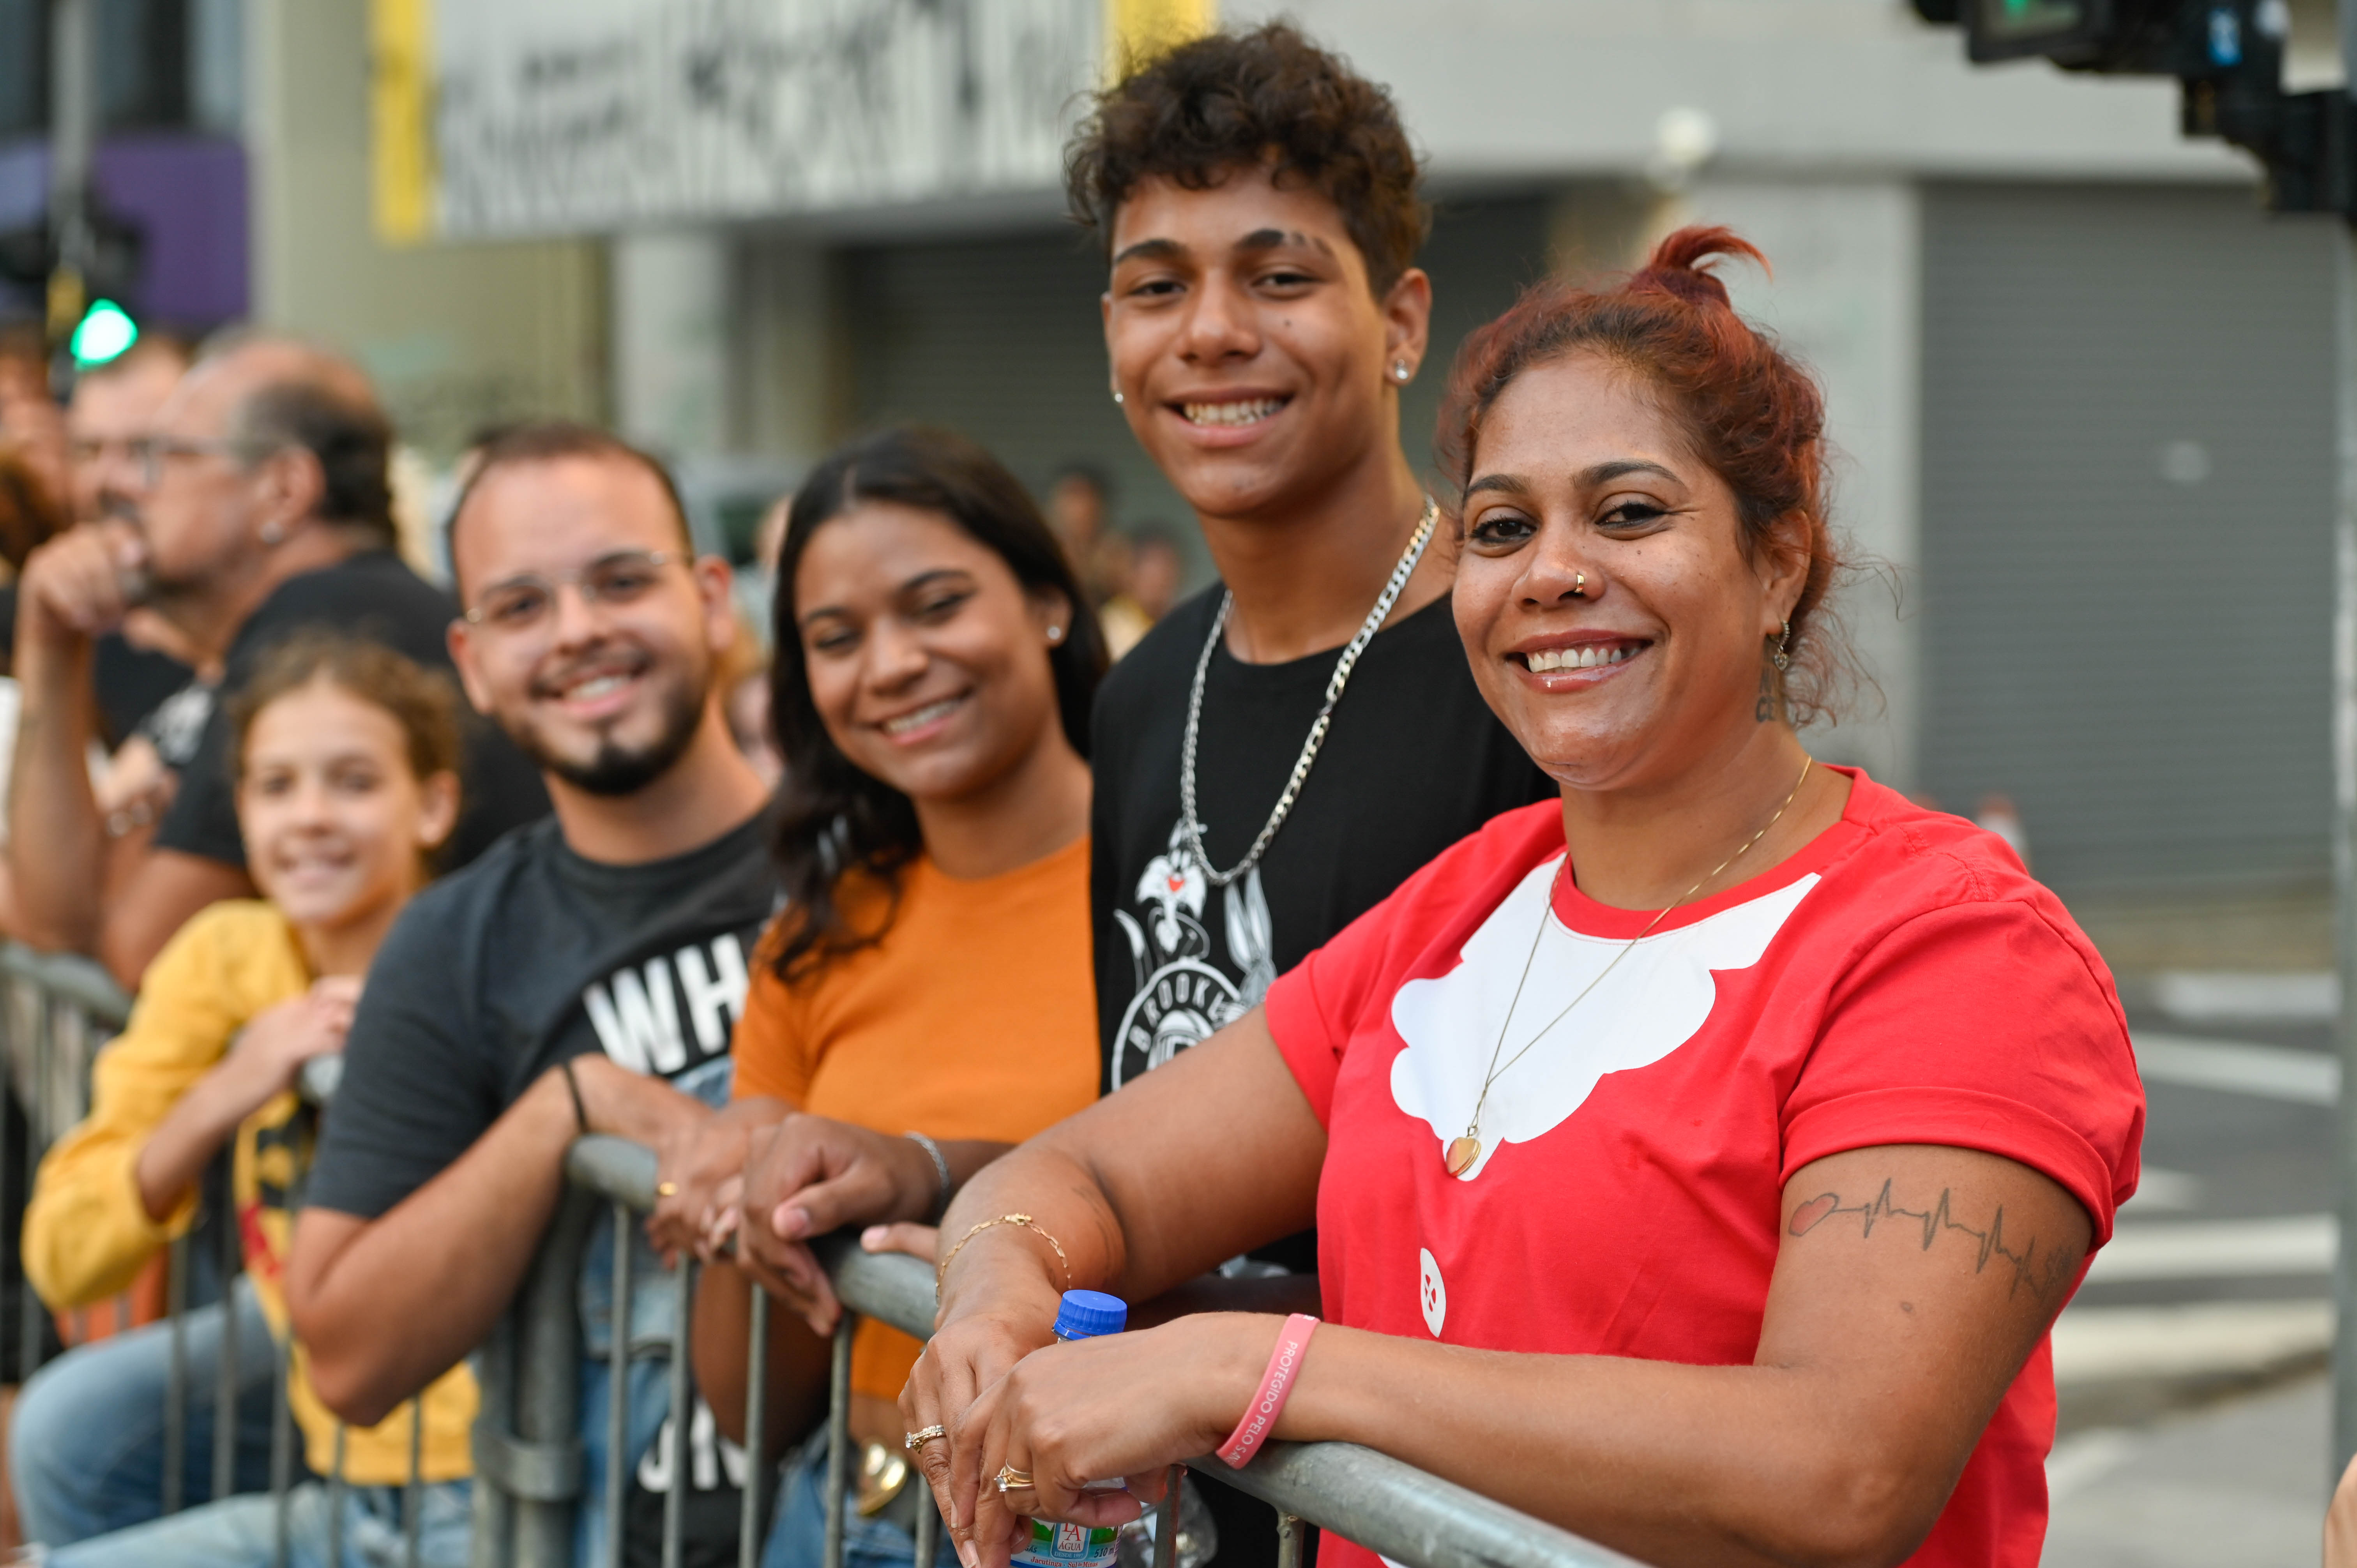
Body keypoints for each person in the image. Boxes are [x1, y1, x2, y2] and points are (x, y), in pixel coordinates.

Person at [902, 230, 2146, 1568]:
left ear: (1778, 560)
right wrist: (989, 1297)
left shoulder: (1949, 948)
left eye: (1626, 513)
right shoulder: (1465, 902)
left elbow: (1834, 1473)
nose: (1549, 571)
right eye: (1500, 528)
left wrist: (1256, 1369)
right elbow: (1080, 1174)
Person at [1069, 27, 1555, 1561]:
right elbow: (1138, 1119)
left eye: (1277, 277)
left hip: (1444, 1500)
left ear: (1401, 319)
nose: (1211, 333)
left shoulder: (1524, 671)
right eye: (1159, 286)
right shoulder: (1148, 695)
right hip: (1199, 1499)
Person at [283, 421, 778, 1566]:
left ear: (712, 598)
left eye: (620, 581)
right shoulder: (459, 940)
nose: (579, 633)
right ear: (470, 662)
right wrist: (569, 1110)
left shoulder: (875, 864)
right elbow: (348, 1356)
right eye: (520, 607)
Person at [659, 427, 1106, 1568]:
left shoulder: (1173, 884)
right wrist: (751, 1206)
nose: (894, 663)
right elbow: (752, 1409)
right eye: (837, 638)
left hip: (1081, 1529)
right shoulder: (819, 929)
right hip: (841, 1516)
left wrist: (915, 1165)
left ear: (1049, 601)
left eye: (936, 605)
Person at [12, 632, 475, 1565]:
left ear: (431, 803)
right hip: (340, 1468)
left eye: (352, 781)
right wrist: (235, 1081)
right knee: (66, 1431)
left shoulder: (477, 952)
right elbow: (64, 1254)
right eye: (275, 786)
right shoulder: (232, 954)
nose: (308, 816)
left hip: (473, 1487)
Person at [6, 334, 549, 987]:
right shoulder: (322, 616)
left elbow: (142, 955)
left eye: (165, 456)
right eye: (92, 452)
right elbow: (57, 923)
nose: (127, 487)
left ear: (283, 491)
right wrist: (51, 646)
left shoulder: (326, 626)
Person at [1095, 530, 1181, 660]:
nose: (1160, 583)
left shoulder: (1176, 622)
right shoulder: (1113, 625)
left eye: (1167, 574)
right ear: (1132, 574)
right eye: (1153, 575)